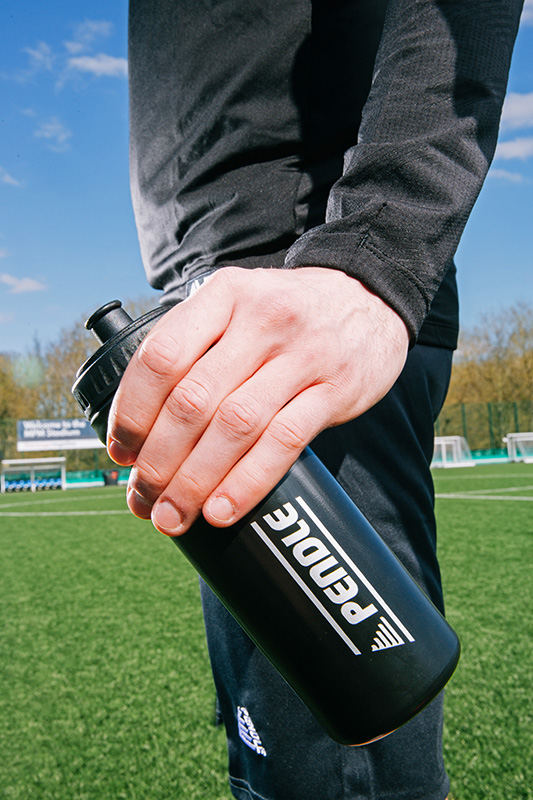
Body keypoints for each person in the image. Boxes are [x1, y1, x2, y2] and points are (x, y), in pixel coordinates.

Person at [108, 0, 523, 797]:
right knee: (274, 765)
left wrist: (379, 249)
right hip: (226, 303)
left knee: (338, 760)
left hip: (307, 287)